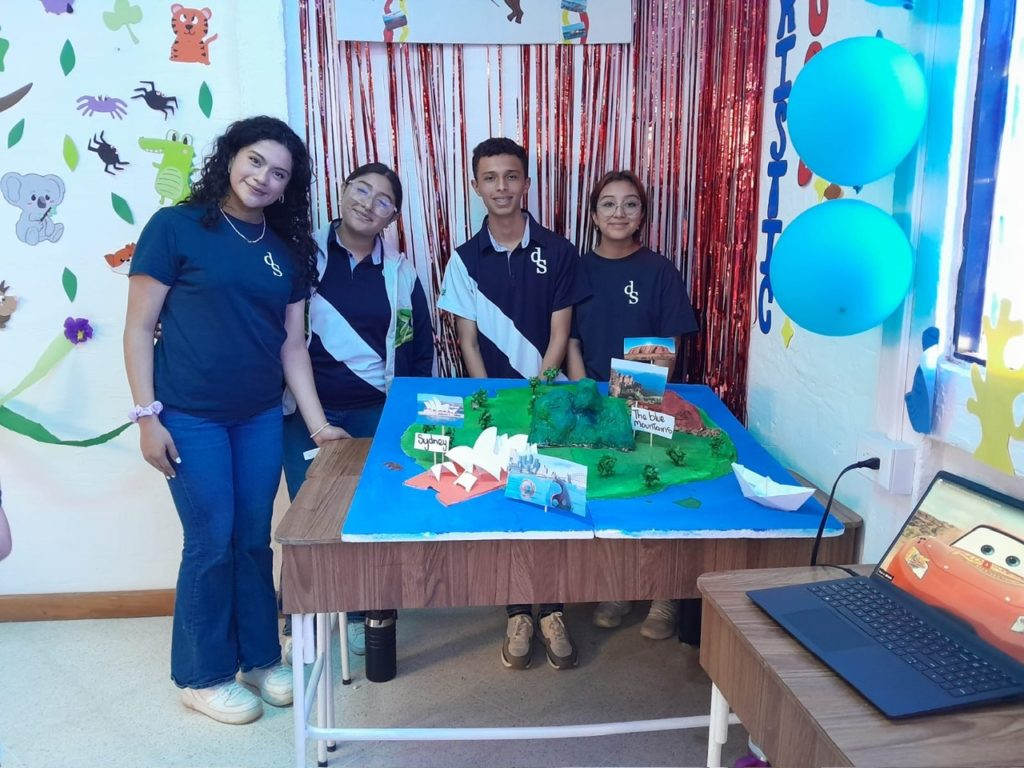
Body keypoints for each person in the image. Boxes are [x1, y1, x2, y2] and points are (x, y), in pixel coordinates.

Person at [123, 116, 346, 725]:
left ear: (289, 186)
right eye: (255, 161)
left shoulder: (286, 249)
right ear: (229, 158)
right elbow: (139, 328)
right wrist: (146, 417)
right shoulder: (175, 227)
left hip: (258, 417)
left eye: (279, 173)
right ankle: (202, 676)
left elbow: (292, 346)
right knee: (211, 541)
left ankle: (260, 658)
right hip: (188, 416)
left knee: (252, 538)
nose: (263, 177)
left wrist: (319, 425)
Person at [438, 137, 585, 671]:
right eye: (490, 177)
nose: (502, 187)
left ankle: (554, 612)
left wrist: (540, 394)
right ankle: (519, 612)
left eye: (511, 176)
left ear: (526, 182)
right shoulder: (463, 260)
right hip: (496, 409)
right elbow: (468, 343)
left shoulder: (560, 251)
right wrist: (494, 408)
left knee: (554, 505)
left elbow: (561, 334)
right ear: (476, 186)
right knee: (509, 510)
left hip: (549, 402)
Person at [281, 161, 434, 655]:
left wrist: (407, 415)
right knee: (308, 515)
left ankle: (360, 609)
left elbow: (419, 348)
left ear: (393, 217)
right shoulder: (301, 255)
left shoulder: (401, 273)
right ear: (343, 191)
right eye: (361, 190)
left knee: (368, 513)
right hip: (305, 411)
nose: (369, 204)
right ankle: (304, 613)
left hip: (375, 411)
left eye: (383, 200)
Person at [566, 169, 699, 640]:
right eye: (608, 203)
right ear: (593, 213)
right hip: (593, 399)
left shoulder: (660, 270)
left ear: (642, 215)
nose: (618, 213)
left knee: (653, 489)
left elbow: (670, 344)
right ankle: (619, 588)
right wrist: (588, 397)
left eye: (630, 204)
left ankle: (664, 596)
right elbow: (571, 340)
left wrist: (637, 399)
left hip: (647, 398)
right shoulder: (577, 270)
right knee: (611, 488)